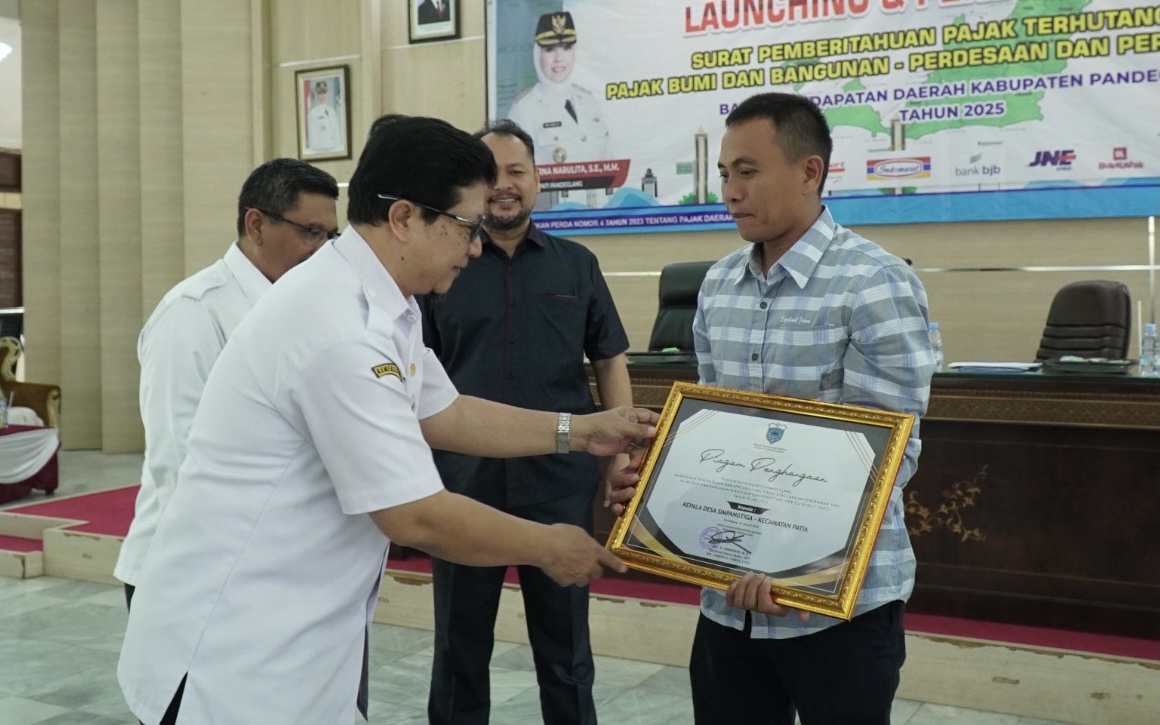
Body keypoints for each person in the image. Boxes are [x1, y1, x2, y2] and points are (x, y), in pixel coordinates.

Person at [117, 114, 658, 725]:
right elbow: (413, 513)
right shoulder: (334, 324)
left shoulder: (384, 303)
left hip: (300, 641)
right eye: (465, 227)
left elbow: (446, 411)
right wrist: (549, 547)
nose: (476, 247)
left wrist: (579, 430)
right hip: (234, 653)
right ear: (405, 218)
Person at [688, 92, 935, 724]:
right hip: (729, 598)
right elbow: (711, 433)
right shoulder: (717, 285)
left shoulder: (873, 281)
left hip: (840, 604)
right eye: (723, 173)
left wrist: (787, 560)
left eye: (747, 171)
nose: (730, 190)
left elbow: (887, 454)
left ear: (809, 172)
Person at [421, 119, 633, 725]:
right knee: (459, 650)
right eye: (491, 175)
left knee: (565, 653)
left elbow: (610, 360)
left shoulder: (577, 264)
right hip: (464, 488)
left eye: (517, 171)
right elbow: (417, 381)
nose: (504, 186)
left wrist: (617, 458)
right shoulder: (442, 269)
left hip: (558, 484)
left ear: (539, 178)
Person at [113, 158, 340, 610]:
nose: (323, 250)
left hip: (274, 565)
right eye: (310, 232)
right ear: (256, 224)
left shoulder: (305, 306)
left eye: (331, 237)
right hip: (191, 573)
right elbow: (181, 458)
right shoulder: (194, 311)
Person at [507, 11, 609, 166]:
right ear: (537, 54)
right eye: (550, 50)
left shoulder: (588, 100)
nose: (559, 58)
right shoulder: (524, 109)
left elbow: (610, 164)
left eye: (566, 48)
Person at [305, 80, 342, 153]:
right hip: (320, 151)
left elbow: (336, 133)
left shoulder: (332, 111)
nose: (322, 96)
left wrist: (339, 148)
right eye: (319, 93)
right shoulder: (313, 113)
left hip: (334, 150)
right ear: (316, 95)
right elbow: (312, 137)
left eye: (324, 93)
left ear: (327, 94)